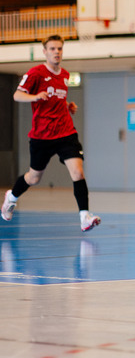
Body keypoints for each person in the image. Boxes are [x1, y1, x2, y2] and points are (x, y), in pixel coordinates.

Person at [2, 36, 100, 231]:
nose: (57, 52)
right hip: (42, 136)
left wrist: (67, 105)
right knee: (34, 178)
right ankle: (11, 197)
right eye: (53, 49)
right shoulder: (36, 73)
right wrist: (35, 96)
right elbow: (17, 95)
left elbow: (57, 98)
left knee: (78, 172)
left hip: (65, 132)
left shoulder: (64, 75)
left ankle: (84, 216)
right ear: (45, 52)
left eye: (59, 49)